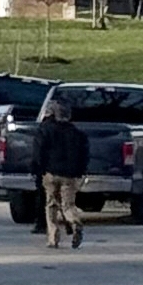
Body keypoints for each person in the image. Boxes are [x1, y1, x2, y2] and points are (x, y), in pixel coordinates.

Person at [32, 97, 90, 250]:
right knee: (68, 205)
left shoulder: (45, 130)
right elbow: (84, 155)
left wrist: (39, 169)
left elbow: (38, 152)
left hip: (50, 173)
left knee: (51, 204)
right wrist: (80, 171)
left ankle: (53, 238)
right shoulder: (77, 134)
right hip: (70, 174)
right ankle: (74, 221)